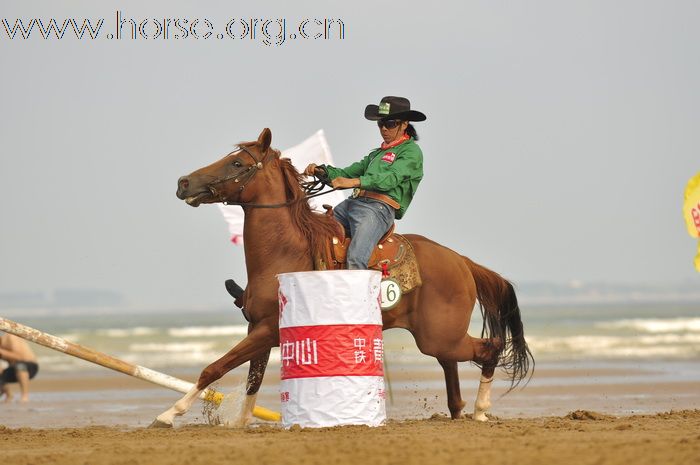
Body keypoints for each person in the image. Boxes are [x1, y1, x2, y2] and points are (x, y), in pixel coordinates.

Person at [304, 96, 426, 269]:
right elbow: (346, 173)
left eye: (390, 123)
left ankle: (360, 295)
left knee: (355, 258)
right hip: (352, 204)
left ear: (404, 124)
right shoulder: (376, 154)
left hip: (378, 210)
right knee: (314, 236)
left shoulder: (411, 152)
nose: (384, 128)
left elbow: (390, 179)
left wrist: (354, 182)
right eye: (380, 123)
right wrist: (322, 172)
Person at [0, 331, 39, 403]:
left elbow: (19, 357)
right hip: (14, 370)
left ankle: (25, 396)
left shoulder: (10, 337)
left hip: (30, 366)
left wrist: (2, 352)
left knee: (20, 365)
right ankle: (9, 395)